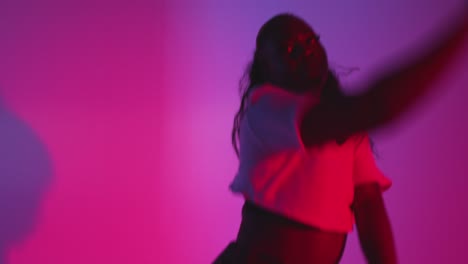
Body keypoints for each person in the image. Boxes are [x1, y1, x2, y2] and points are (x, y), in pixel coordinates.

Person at [215, 7, 468, 264]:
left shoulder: (341, 124)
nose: (306, 50)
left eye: (311, 40)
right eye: (288, 49)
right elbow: (378, 107)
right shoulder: (265, 108)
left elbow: (368, 202)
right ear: (265, 67)